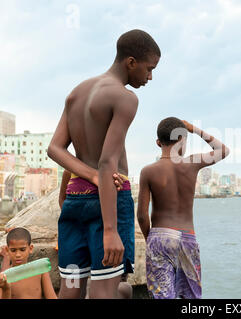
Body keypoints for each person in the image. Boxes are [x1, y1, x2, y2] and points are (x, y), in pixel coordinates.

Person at [47, 29, 160, 299]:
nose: (150, 77)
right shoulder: (125, 98)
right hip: (107, 203)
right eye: (149, 68)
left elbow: (54, 148)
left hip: (75, 202)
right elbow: (108, 161)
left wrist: (90, 175)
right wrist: (110, 230)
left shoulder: (77, 93)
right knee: (103, 293)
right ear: (131, 62)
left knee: (70, 291)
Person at [137, 117, 230, 299]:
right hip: (188, 237)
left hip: (160, 236)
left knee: (162, 295)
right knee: (190, 297)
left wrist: (151, 239)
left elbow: (141, 215)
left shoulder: (148, 171)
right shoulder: (192, 163)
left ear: (158, 142)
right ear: (183, 140)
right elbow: (223, 150)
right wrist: (194, 129)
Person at [58, 169, 132, 299]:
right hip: (78, 221)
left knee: (92, 290)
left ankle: (122, 289)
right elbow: (62, 199)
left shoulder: (70, 171)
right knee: (74, 289)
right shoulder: (70, 171)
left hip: (94, 218)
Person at [0, 227, 57, 299]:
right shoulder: (6, 276)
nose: (18, 255)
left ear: (30, 248)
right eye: (13, 250)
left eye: (22, 249)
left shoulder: (40, 270)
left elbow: (51, 297)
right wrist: (6, 289)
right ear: (7, 250)